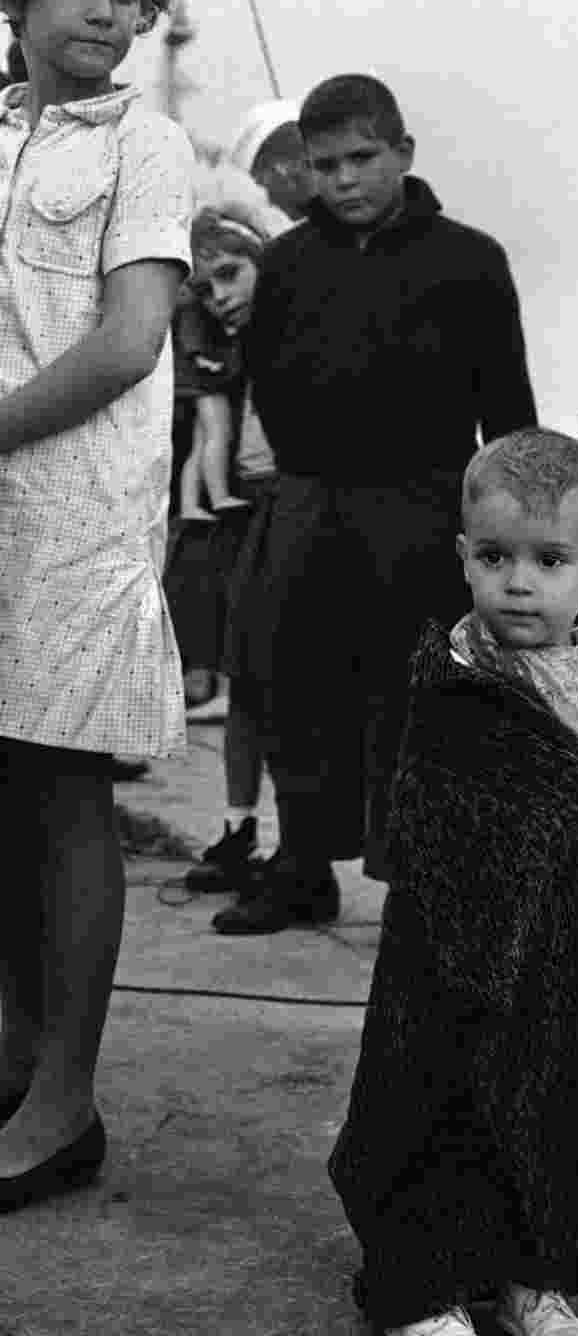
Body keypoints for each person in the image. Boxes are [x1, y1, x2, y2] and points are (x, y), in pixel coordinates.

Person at [328, 428, 578, 1336]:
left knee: (559, 1110)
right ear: (462, 555)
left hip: (567, 961)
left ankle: (527, 1278)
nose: (518, 583)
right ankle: (416, 1286)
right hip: (459, 961)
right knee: (444, 1102)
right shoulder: (453, 680)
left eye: (549, 561)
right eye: (496, 557)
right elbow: (429, 811)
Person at [220, 73, 538, 935]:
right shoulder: (286, 263)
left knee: (418, 704)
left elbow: (508, 412)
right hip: (312, 499)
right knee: (298, 689)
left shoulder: (471, 260)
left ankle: (421, 881)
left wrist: (511, 542)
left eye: (363, 158)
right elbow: (271, 387)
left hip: (426, 509)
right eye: (325, 165)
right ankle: (302, 866)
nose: (345, 180)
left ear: (402, 152)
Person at [0, 0, 192, 1209]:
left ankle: (64, 1104)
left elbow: (129, 342)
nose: (114, 11)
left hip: (78, 518)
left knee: (64, 789)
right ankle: (14, 1052)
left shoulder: (147, 142)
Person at [167, 181, 289, 904]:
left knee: (288, 686)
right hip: (251, 511)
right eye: (207, 286)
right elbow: (213, 430)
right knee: (246, 681)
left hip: (293, 505)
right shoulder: (220, 341)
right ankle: (241, 824)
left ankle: (299, 842)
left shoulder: (299, 323)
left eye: (231, 275)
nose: (219, 296)